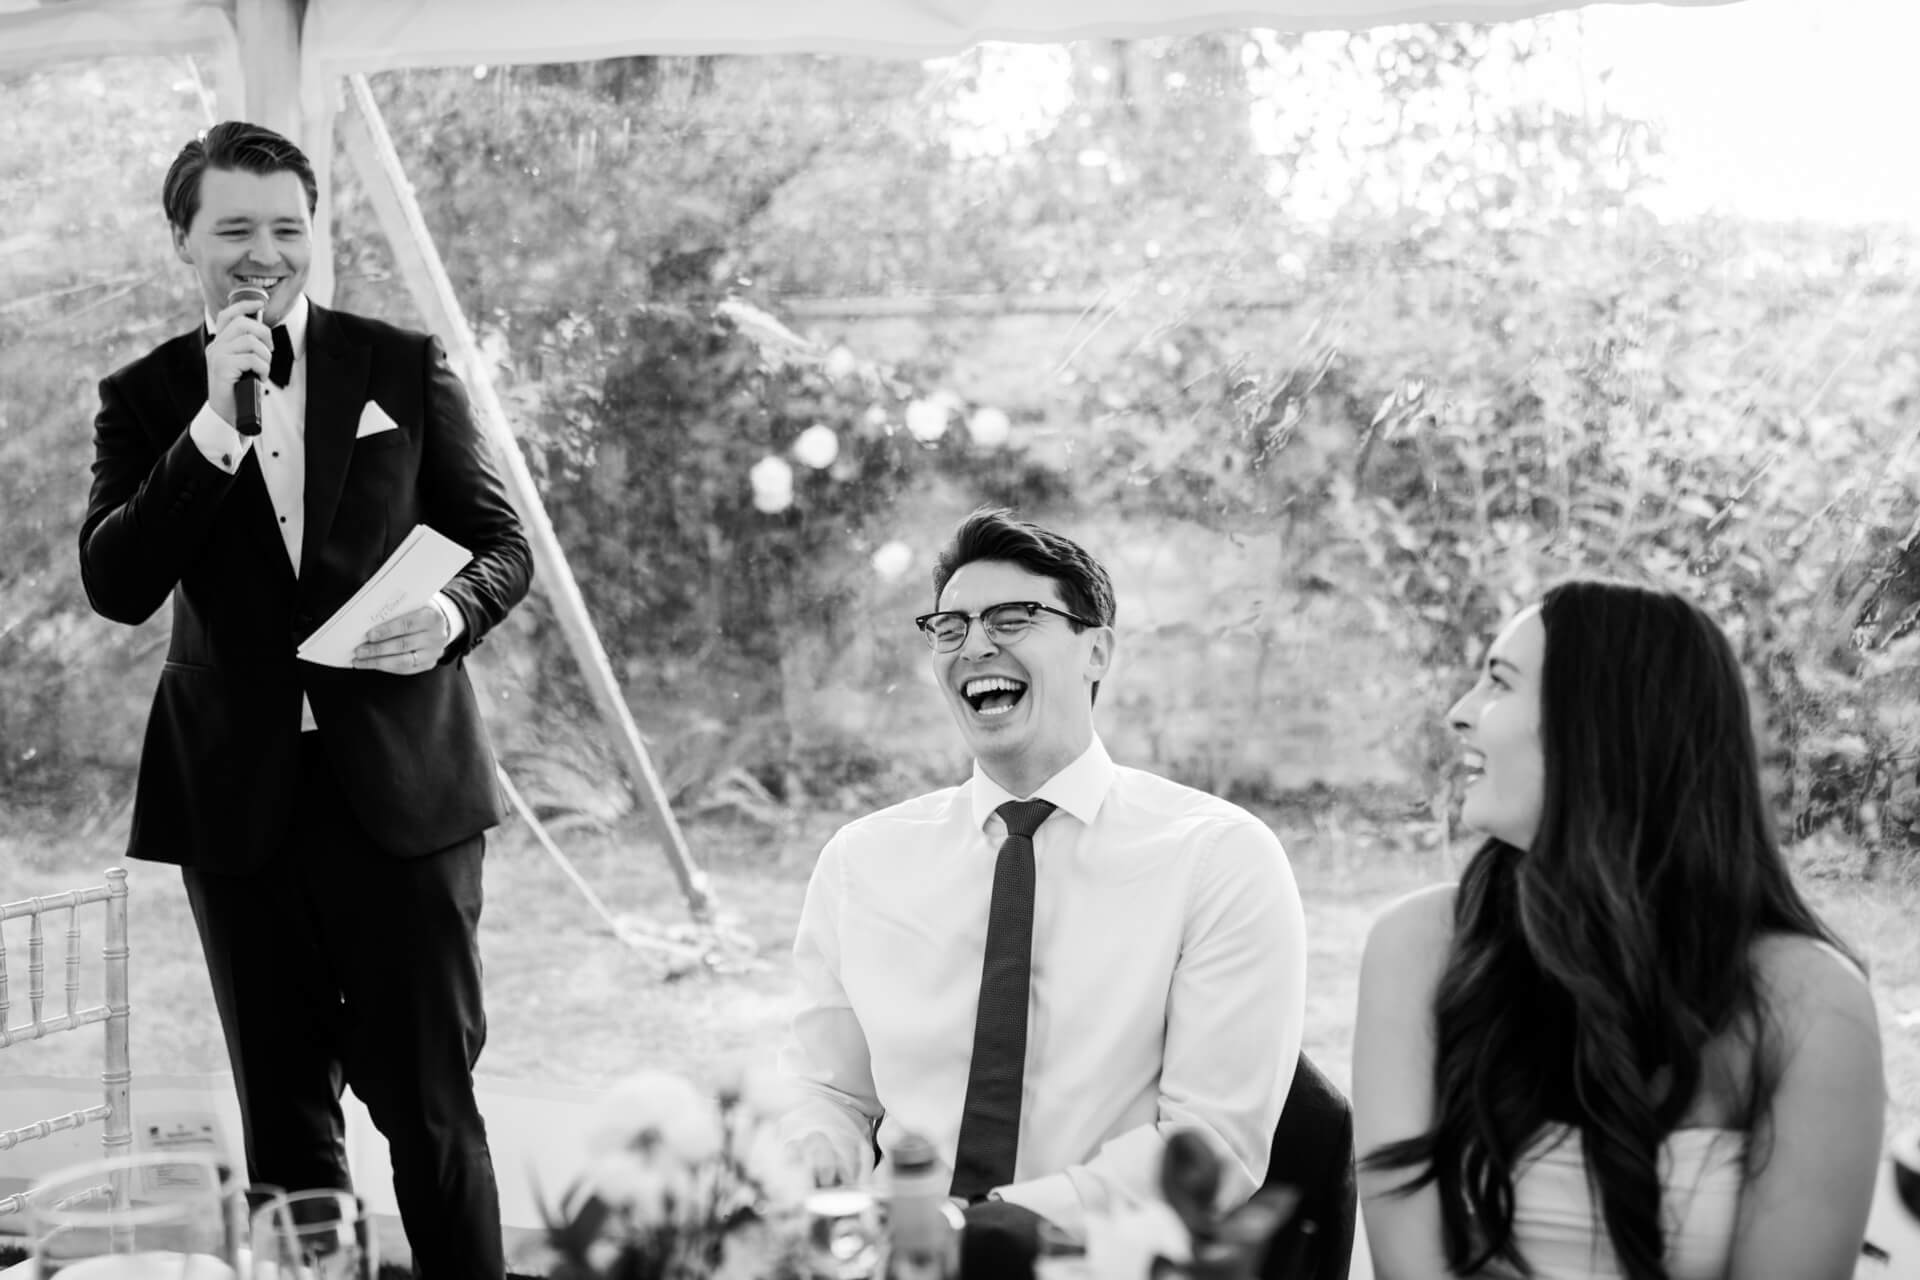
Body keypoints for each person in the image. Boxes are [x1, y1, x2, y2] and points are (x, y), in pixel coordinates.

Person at [78, 121, 532, 1280]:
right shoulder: (145, 398)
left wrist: (448, 617)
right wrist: (217, 430)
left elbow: (497, 542)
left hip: (405, 798)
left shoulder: (399, 362)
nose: (264, 252)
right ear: (185, 239)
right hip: (237, 811)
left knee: (432, 1112)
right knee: (284, 1128)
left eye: (288, 227)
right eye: (234, 228)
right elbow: (117, 583)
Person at [777, 507, 1307, 1245]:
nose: (974, 646)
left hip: (1099, 1260)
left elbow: (1210, 1151)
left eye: (1012, 618)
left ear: (1098, 652)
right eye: (950, 628)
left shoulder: (1217, 857)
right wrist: (818, 1166)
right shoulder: (860, 862)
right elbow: (827, 1089)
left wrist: (984, 1229)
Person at [1353, 580, 1886, 1280]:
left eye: (1498, 684)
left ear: (1598, 726)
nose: (1459, 715)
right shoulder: (1420, 948)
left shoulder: (1811, 1002)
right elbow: (1410, 1269)